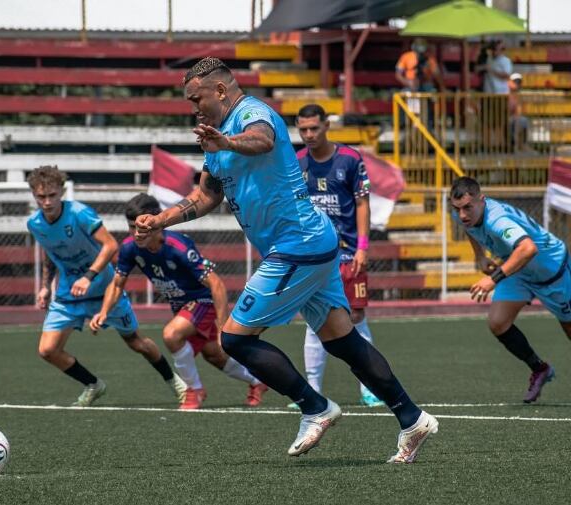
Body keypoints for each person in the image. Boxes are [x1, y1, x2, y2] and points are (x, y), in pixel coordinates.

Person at [135, 57, 438, 463]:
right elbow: (207, 195)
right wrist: (160, 220)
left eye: (197, 98)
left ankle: (314, 407)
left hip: (297, 246)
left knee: (235, 339)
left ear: (220, 90)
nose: (194, 107)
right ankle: (411, 417)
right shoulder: (218, 134)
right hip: (311, 244)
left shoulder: (253, 114)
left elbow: (262, 140)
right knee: (344, 341)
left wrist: (226, 143)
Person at [450, 176, 571, 403]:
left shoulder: (497, 220)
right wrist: (480, 257)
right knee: (497, 323)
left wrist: (492, 280)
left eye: (467, 208)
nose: (462, 214)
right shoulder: (465, 215)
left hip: (552, 272)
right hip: (518, 270)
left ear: (481, 200)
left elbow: (528, 248)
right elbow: (470, 228)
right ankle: (539, 368)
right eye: (457, 208)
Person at [26, 165, 187, 407]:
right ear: (33, 195)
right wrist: (45, 286)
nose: (47, 202)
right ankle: (93, 385)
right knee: (47, 350)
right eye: (41, 197)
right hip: (69, 294)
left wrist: (88, 276)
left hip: (104, 289)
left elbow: (111, 245)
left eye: (51, 195)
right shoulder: (35, 224)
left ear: (61, 191)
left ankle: (174, 381)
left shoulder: (80, 213)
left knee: (136, 343)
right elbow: (51, 253)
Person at [90, 193, 269, 410]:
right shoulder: (129, 248)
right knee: (214, 355)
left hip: (201, 301)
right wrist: (104, 311)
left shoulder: (178, 246)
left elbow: (217, 285)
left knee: (171, 335)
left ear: (156, 222)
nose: (136, 233)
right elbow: (117, 284)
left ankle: (194, 390)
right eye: (131, 227)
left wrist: (223, 328)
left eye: (141, 226)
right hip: (180, 307)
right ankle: (257, 381)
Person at [294, 103, 384, 408]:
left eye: (313, 128)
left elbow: (362, 204)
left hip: (348, 255)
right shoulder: (297, 163)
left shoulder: (349, 159)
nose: (308, 134)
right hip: (315, 256)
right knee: (313, 320)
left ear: (326, 126)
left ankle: (369, 388)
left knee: (356, 317)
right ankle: (313, 389)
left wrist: (362, 247)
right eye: (303, 129)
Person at [508, 73, 529, 150]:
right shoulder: (504, 92)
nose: (516, 84)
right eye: (514, 82)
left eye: (518, 82)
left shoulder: (518, 96)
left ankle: (522, 144)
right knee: (513, 122)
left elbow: (518, 110)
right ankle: (512, 145)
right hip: (504, 116)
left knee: (523, 121)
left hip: (514, 117)